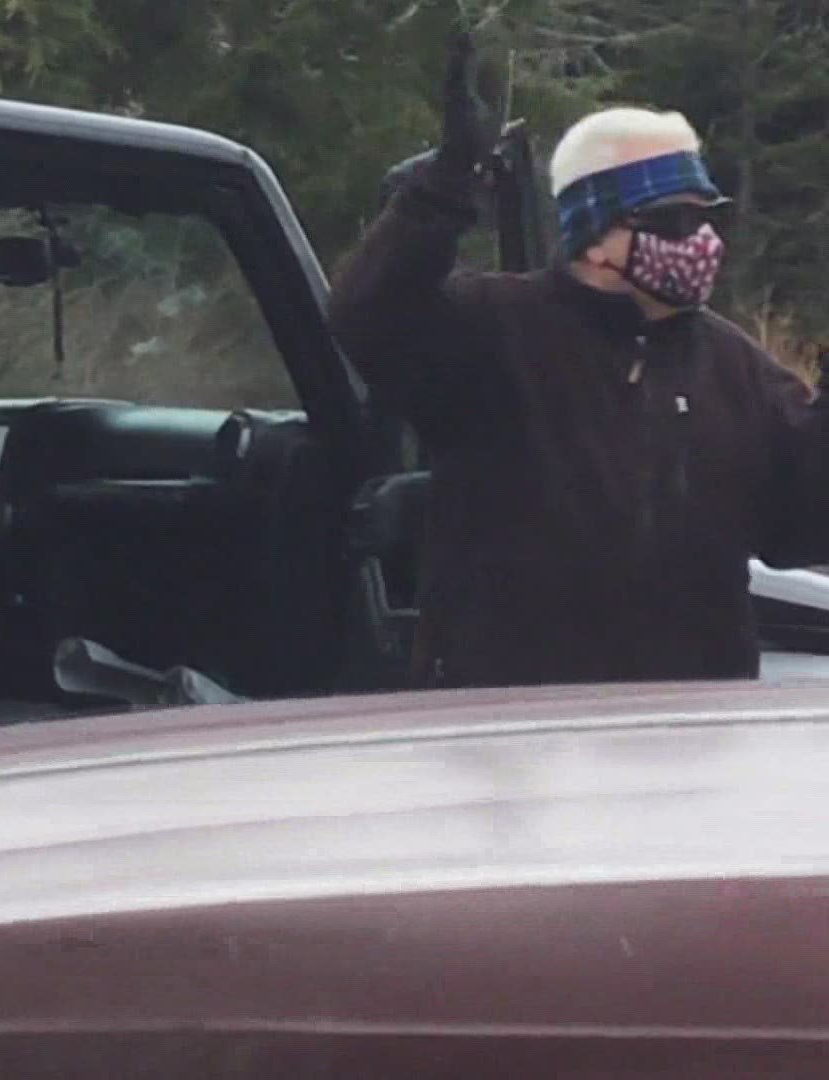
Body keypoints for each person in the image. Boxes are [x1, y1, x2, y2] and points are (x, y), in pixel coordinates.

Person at [327, 33, 829, 691]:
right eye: (675, 222)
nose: (702, 242)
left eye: (710, 219)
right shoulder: (491, 330)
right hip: (510, 740)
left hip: (690, 748)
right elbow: (368, 315)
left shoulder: (732, 366)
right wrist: (442, 188)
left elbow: (806, 519)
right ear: (595, 238)